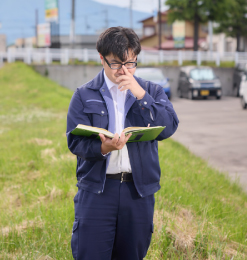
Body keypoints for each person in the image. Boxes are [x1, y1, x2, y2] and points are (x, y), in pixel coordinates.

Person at [66, 26, 179, 259]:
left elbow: (169, 126)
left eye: (130, 63)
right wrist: (102, 148)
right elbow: (75, 142)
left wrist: (141, 96)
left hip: (138, 193)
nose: (124, 70)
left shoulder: (151, 91)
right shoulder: (84, 94)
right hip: (97, 192)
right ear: (102, 59)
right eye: (116, 64)